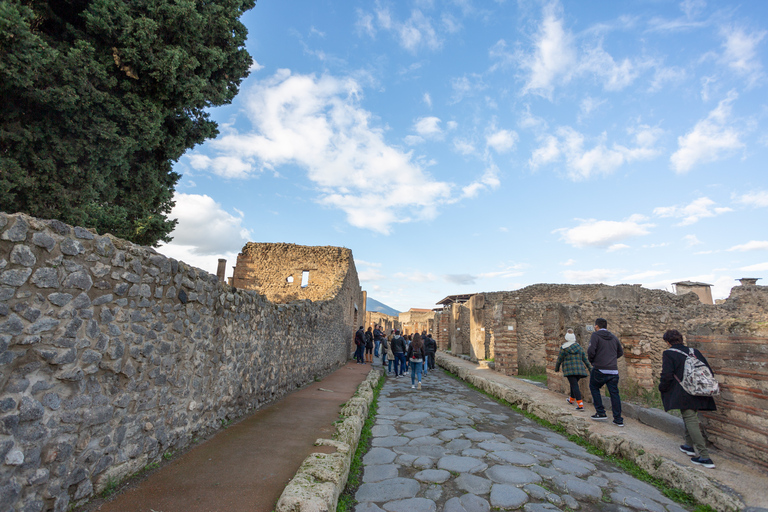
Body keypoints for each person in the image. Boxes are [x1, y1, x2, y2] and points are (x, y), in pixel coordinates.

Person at [659, 329, 717, 469]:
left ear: (667, 342)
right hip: (700, 390)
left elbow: (667, 375)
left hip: (684, 392)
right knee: (689, 416)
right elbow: (708, 370)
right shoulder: (694, 351)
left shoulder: (669, 353)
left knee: (690, 418)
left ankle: (705, 456)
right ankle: (688, 446)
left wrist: (662, 387)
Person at [587, 318, 624, 426]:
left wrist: (593, 361)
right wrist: (611, 359)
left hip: (600, 368)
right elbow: (620, 352)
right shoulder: (613, 337)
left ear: (596, 326)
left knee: (594, 387)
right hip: (613, 370)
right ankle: (618, 419)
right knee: (614, 393)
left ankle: (601, 412)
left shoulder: (595, 335)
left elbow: (591, 351)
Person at [555, 329, 592, 410]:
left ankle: (580, 404)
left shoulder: (564, 348)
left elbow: (559, 359)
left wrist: (557, 368)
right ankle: (571, 399)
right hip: (579, 370)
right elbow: (585, 359)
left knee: (574, 385)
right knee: (574, 384)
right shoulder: (579, 347)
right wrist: (590, 368)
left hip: (569, 370)